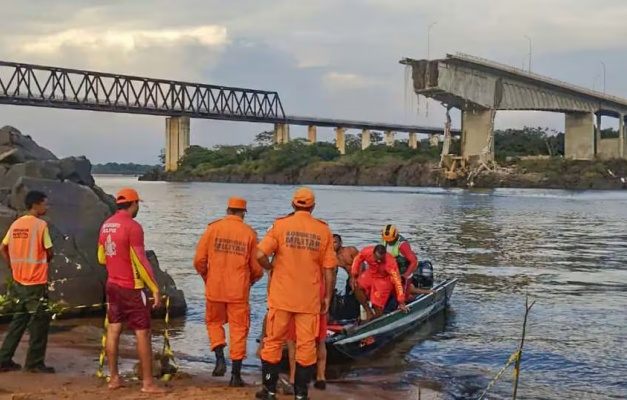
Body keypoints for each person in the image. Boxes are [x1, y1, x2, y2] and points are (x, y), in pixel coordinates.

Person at [256, 187, 337, 400]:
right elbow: (329, 269)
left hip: (281, 297)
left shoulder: (280, 226)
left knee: (273, 342)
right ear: (313, 206)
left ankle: (269, 390)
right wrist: (327, 297)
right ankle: (301, 394)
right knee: (306, 346)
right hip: (309, 300)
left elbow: (259, 254)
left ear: (293, 204)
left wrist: (271, 268)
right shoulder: (323, 230)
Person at [96, 188, 166, 394]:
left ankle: (114, 378)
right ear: (133, 204)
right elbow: (141, 261)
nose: (138, 208)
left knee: (114, 329)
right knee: (142, 333)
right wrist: (155, 288)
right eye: (138, 204)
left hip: (112, 285)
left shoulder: (106, 225)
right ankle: (148, 383)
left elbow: (101, 257)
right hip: (131, 287)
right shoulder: (133, 227)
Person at [193, 197, 263, 387]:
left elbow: (199, 260)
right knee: (239, 330)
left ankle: (219, 359)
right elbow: (257, 268)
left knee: (214, 323)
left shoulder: (212, 229)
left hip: (215, 288)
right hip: (238, 291)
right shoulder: (249, 233)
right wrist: (251, 281)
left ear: (227, 210)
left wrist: (208, 277)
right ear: (243, 213)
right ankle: (236, 376)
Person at [0, 190, 55, 373]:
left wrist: (13, 267)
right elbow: (49, 251)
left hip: (19, 280)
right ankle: (35, 363)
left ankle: (4, 359)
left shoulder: (16, 224)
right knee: (40, 321)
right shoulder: (40, 225)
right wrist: (45, 260)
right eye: (45, 203)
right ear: (36, 204)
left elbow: (3, 248)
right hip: (35, 281)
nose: (47, 207)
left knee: (19, 320)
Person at [350, 245, 408, 321]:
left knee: (377, 305)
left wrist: (401, 301)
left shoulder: (390, 262)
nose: (379, 261)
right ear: (373, 253)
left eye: (381, 259)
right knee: (357, 285)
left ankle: (376, 319)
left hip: (383, 279)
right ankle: (368, 311)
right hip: (371, 273)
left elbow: (397, 281)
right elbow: (358, 259)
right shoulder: (367, 251)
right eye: (377, 258)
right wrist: (354, 274)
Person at [381, 225, 434, 298]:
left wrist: (405, 275)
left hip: (406, 269)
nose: (389, 242)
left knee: (404, 294)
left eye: (391, 241)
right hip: (394, 270)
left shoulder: (403, 245)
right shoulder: (385, 240)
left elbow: (413, 262)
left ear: (395, 236)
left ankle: (416, 293)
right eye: (387, 241)